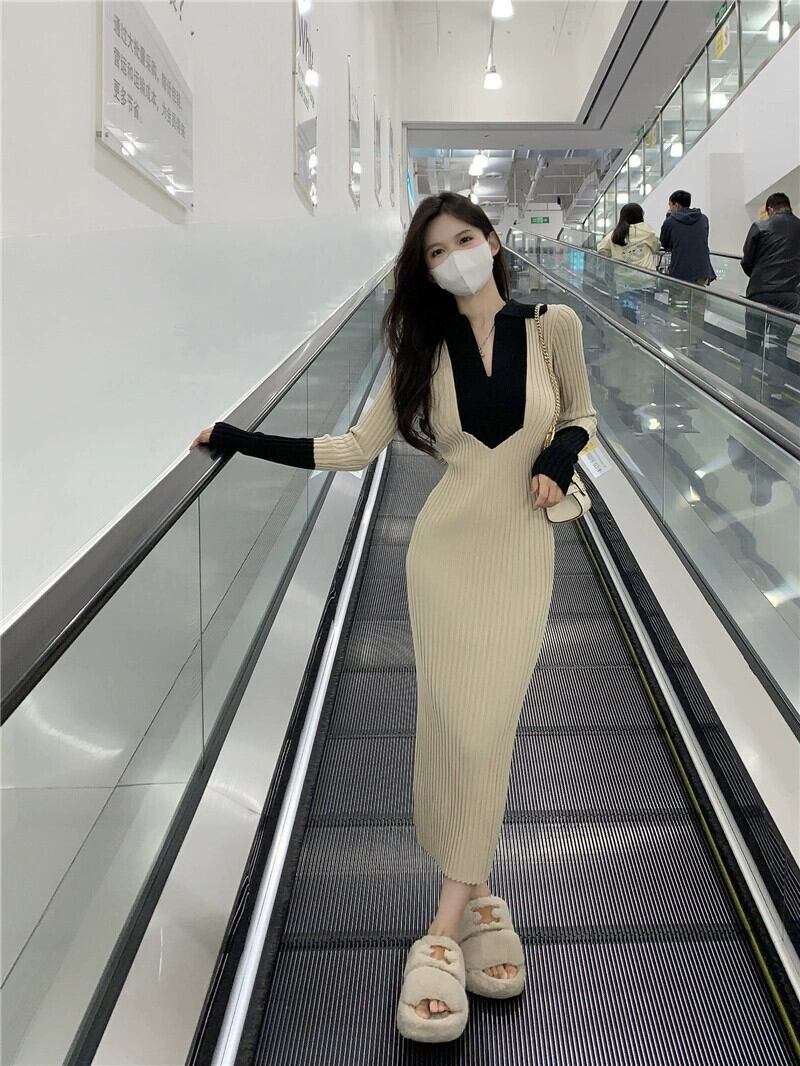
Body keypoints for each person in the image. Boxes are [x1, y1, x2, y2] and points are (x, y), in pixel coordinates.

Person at [192, 192, 597, 1044]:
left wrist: (560, 456)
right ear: (425, 269)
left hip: (521, 556)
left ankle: (452, 917)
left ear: (493, 241)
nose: (454, 258)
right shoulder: (422, 350)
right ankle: (467, 905)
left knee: (487, 729)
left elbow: (579, 416)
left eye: (464, 240)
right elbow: (353, 448)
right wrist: (241, 438)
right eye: (435, 252)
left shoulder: (552, 326)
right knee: (455, 726)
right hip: (443, 559)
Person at [741, 192, 800, 396]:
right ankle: (775, 391)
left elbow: (746, 261)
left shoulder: (760, 227)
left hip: (759, 293)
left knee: (753, 340)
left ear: (770, 209)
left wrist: (759, 276)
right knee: (778, 344)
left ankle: (745, 383)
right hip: (789, 295)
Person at [659, 190, 717, 346]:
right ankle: (695, 342)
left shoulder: (670, 221)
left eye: (670, 205)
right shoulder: (703, 218)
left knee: (676, 309)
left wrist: (668, 217)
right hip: (702, 270)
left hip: (680, 271)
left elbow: (665, 243)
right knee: (697, 310)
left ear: (676, 205)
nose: (670, 208)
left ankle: (676, 343)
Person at [597, 203, 661, 324]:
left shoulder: (615, 234)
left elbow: (601, 250)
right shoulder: (647, 231)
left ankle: (631, 333)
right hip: (646, 280)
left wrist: (614, 255)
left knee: (628, 317)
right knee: (648, 315)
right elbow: (656, 246)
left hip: (624, 282)